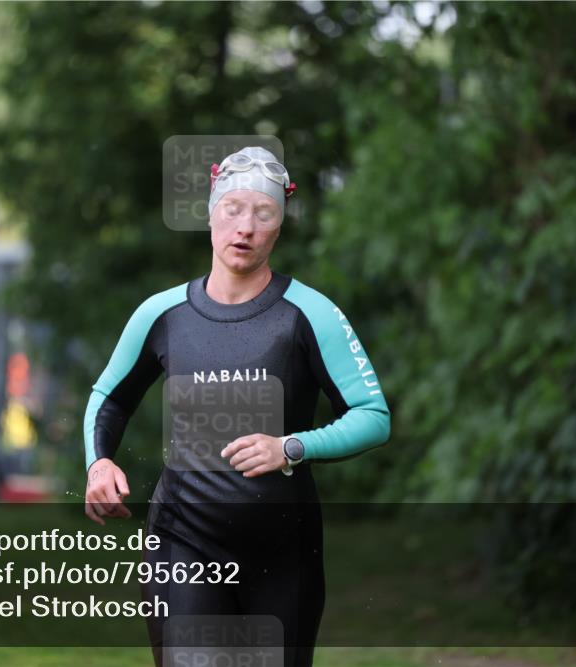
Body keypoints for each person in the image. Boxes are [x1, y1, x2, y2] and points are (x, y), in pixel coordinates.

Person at [83, 147, 391, 666]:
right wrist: (99, 462)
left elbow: (372, 416)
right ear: (210, 212)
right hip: (183, 543)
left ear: (279, 225)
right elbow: (107, 400)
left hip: (282, 553)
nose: (245, 227)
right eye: (233, 209)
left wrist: (292, 447)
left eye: (263, 214)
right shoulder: (163, 314)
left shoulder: (308, 314)